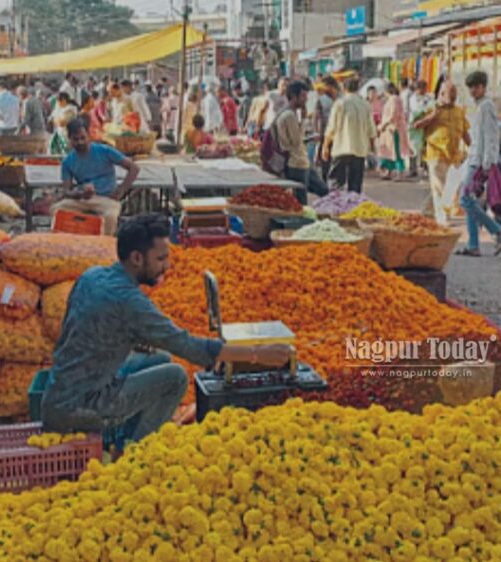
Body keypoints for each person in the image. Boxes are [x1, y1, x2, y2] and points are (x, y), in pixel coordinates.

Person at [42, 213, 293, 442]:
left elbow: (87, 331)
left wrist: (134, 339)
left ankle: (123, 435)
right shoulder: (129, 301)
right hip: (79, 409)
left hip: (57, 395)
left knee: (160, 358)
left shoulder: (92, 275)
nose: (167, 265)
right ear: (137, 258)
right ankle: (134, 451)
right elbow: (188, 346)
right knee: (175, 378)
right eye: (160, 258)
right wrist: (257, 353)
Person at [53, 119, 139, 236]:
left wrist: (122, 189)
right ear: (70, 139)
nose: (80, 142)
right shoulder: (68, 161)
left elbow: (134, 168)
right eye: (76, 139)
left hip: (107, 198)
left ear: (88, 136)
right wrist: (79, 194)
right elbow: (66, 191)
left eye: (83, 138)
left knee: (110, 216)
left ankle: (105, 244)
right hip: (82, 200)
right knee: (57, 210)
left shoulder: (104, 151)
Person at [455, 71, 501, 257]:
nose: (472, 91)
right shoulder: (479, 106)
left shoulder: (487, 106)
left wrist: (488, 164)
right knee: (470, 200)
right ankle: (473, 245)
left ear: (483, 87)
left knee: (465, 199)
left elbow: (491, 136)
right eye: (470, 87)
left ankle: (498, 231)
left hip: (480, 161)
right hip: (474, 158)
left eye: (476, 87)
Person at [414, 82, 469, 224]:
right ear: (442, 94)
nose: (453, 96)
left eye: (455, 93)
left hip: (453, 155)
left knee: (446, 186)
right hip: (436, 152)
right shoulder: (431, 108)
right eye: (450, 93)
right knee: (440, 186)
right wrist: (432, 117)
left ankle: (427, 210)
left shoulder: (459, 111)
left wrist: (473, 148)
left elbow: (465, 133)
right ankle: (442, 217)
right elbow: (416, 125)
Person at [273, 81, 329, 204]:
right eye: (303, 96)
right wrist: (304, 121)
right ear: (294, 96)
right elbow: (296, 141)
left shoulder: (290, 113)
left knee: (323, 190)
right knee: (301, 201)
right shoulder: (289, 115)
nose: (306, 99)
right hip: (296, 163)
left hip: (302, 161)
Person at [323, 76, 377, 193]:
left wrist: (325, 146)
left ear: (343, 88)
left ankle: (336, 204)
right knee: (355, 187)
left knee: (336, 185)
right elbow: (371, 130)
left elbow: (331, 128)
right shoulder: (365, 105)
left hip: (341, 149)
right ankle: (354, 204)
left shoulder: (340, 104)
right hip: (359, 150)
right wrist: (372, 148)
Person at [376, 83, 413, 181]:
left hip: (394, 129)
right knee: (389, 151)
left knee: (397, 151)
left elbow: (393, 115)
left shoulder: (394, 99)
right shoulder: (394, 99)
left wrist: (384, 125)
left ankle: (400, 173)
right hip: (390, 129)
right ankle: (389, 171)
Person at [313, 77, 339, 181]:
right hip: (325, 134)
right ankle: (325, 180)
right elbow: (316, 117)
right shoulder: (321, 100)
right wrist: (317, 132)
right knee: (325, 160)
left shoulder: (340, 99)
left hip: (338, 134)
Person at [407, 79, 433, 178]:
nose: (424, 90)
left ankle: (426, 168)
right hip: (415, 125)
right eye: (422, 88)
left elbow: (432, 107)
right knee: (413, 147)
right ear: (417, 89)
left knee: (426, 147)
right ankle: (413, 169)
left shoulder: (429, 97)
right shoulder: (413, 98)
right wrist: (425, 111)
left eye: (425, 88)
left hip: (427, 125)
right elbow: (416, 109)